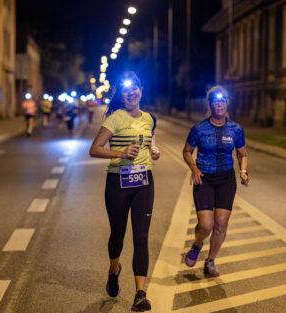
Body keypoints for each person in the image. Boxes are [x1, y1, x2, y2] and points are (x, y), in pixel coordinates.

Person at [89, 71, 160, 312]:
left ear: (141, 90)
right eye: (127, 90)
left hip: (143, 182)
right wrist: (120, 153)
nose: (132, 92)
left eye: (136, 88)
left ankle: (140, 294)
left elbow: (150, 142)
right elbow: (95, 149)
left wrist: (154, 151)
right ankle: (113, 269)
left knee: (141, 237)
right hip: (117, 182)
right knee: (117, 235)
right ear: (121, 94)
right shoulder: (115, 119)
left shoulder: (150, 118)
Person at [183, 85, 250, 277]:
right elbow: (187, 151)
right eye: (215, 101)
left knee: (221, 224)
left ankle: (210, 260)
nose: (219, 104)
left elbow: (242, 153)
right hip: (204, 178)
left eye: (222, 101)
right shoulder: (199, 129)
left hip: (226, 179)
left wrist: (243, 171)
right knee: (206, 225)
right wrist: (194, 168)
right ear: (210, 103)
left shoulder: (236, 129)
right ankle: (197, 245)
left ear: (227, 103)